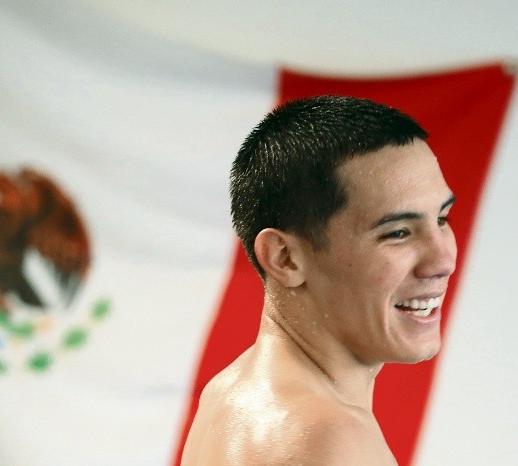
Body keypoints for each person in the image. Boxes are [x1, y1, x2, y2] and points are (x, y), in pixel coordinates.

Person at [181, 95, 457, 465]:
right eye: (397, 233)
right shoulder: (329, 436)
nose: (442, 262)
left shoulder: (230, 391)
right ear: (284, 257)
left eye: (442, 219)